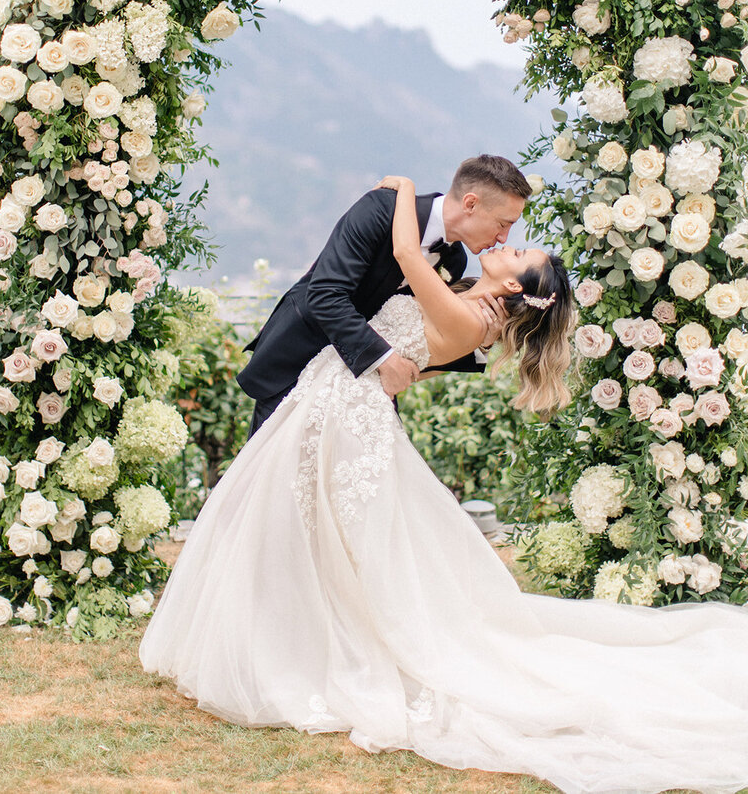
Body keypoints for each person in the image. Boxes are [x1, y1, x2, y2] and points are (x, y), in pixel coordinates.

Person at [140, 177, 748, 794]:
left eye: (516, 252)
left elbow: (407, 256)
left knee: (317, 533)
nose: (508, 244)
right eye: (508, 235)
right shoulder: (469, 305)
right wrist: (393, 367)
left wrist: (402, 188)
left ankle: (294, 650)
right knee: (314, 533)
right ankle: (288, 640)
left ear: (512, 285)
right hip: (338, 401)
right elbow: (404, 340)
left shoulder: (461, 309)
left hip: (344, 411)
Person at [237, 154, 532, 435]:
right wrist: (384, 360)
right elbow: (325, 294)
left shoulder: (454, 261)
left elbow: (422, 344)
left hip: (358, 394)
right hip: (298, 360)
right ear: (470, 203)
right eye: (503, 223)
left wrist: (480, 343)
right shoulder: (381, 209)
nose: (503, 238)